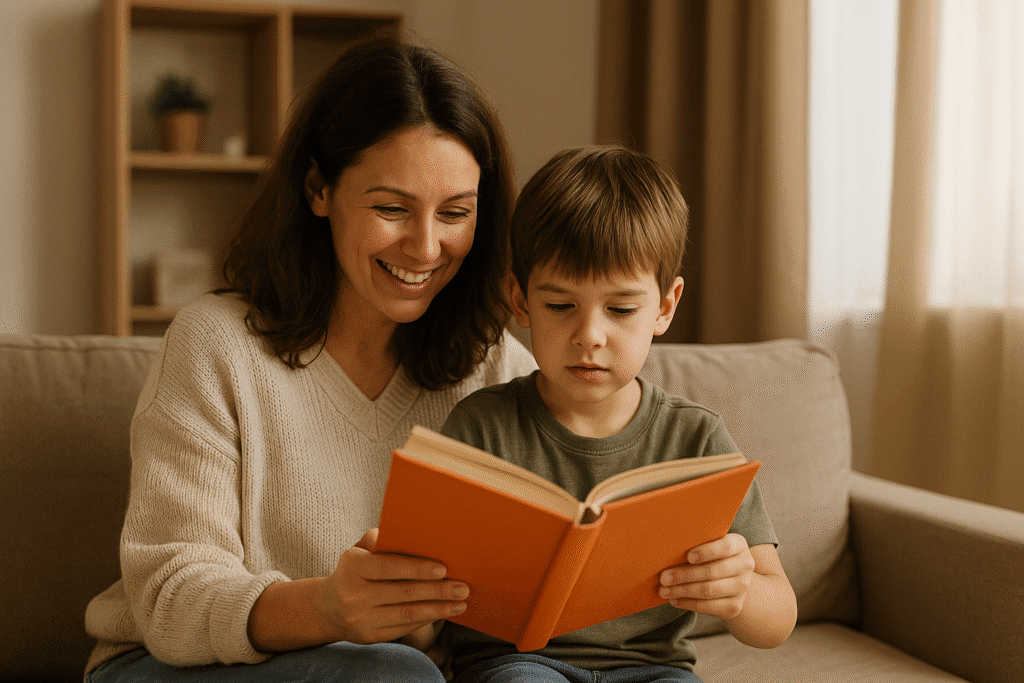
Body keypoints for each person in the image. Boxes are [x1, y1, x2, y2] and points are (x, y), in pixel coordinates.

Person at [82, 38, 537, 683]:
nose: (426, 247)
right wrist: (325, 609)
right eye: (390, 209)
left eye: (455, 214)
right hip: (171, 663)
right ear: (319, 188)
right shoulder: (217, 345)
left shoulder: (490, 364)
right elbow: (169, 597)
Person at [437, 146, 798, 683]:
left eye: (621, 310)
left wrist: (739, 590)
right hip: (515, 663)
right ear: (520, 300)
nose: (590, 335)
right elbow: (429, 598)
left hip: (651, 671)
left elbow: (778, 618)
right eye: (560, 306)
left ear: (665, 307)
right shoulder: (480, 427)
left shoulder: (696, 438)